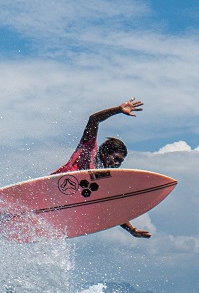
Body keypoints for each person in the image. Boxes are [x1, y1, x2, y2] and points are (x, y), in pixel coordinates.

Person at [52, 98, 152, 238]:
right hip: (55, 185)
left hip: (66, 201)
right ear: (104, 153)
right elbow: (93, 119)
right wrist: (118, 110)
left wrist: (131, 229)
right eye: (116, 158)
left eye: (121, 161)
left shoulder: (102, 179)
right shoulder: (88, 151)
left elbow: (110, 206)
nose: (117, 164)